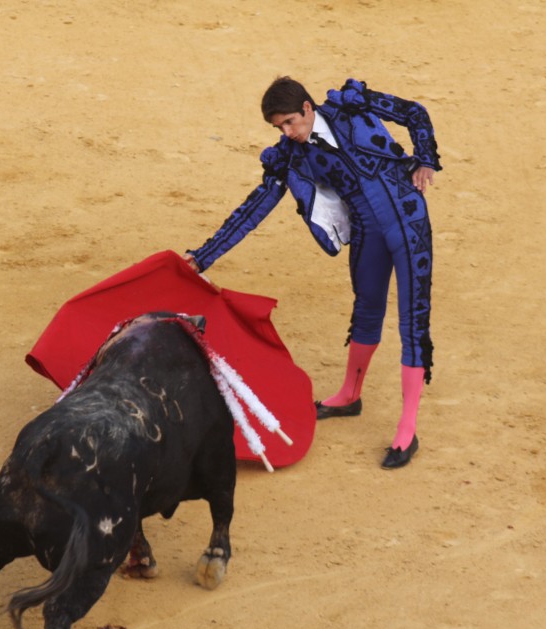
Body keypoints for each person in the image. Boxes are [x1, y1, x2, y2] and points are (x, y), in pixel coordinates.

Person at [183, 76, 441, 470]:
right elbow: (254, 208)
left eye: (289, 122)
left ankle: (408, 427)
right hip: (368, 234)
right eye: (279, 128)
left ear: (307, 108)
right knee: (367, 310)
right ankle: (349, 395)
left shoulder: (352, 104)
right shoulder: (291, 156)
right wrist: (203, 257)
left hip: (408, 221)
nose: (287, 133)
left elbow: (414, 113)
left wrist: (425, 158)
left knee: (412, 319)